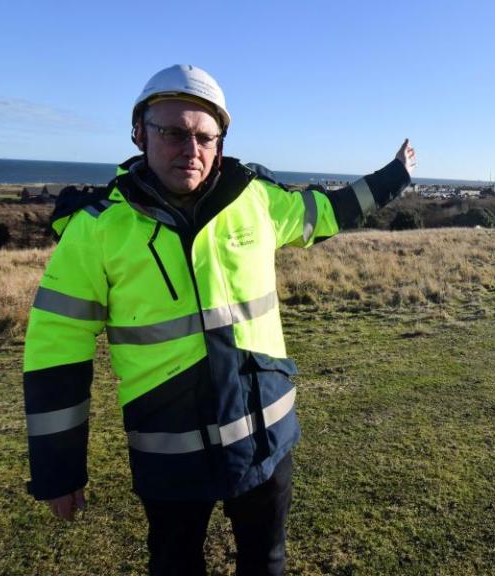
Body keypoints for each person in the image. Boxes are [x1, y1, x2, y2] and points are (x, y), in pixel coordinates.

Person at [22, 64, 416, 576]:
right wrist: (58, 468)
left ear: (221, 142)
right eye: (173, 132)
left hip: (266, 438)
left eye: (205, 135)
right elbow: (56, 347)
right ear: (139, 133)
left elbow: (329, 211)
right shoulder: (96, 229)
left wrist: (395, 176)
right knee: (175, 564)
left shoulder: (257, 199)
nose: (191, 148)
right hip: (171, 454)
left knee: (266, 561)